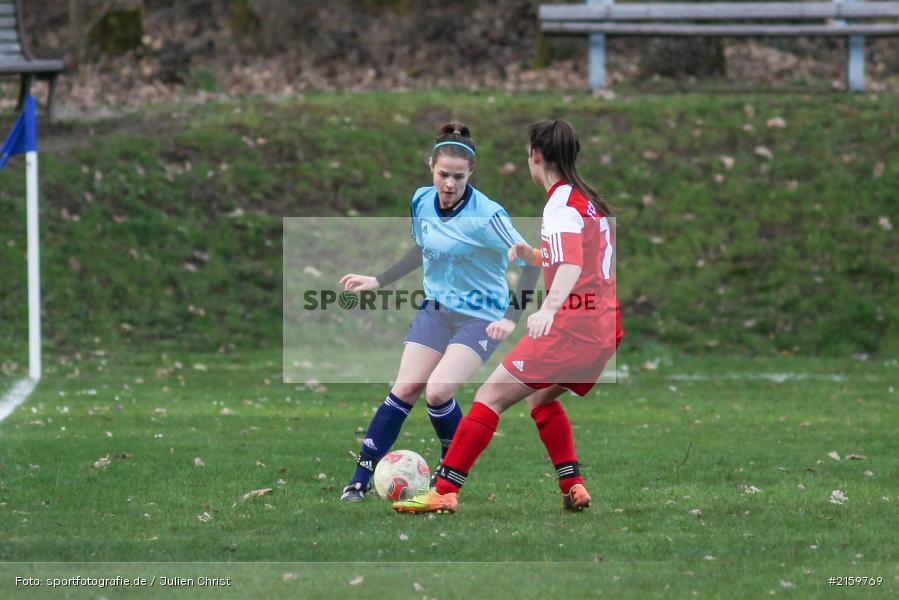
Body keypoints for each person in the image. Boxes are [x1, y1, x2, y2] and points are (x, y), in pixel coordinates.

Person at [393, 119, 623, 514]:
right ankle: (573, 484)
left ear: (535, 156)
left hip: (573, 328)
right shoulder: (587, 200)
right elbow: (579, 260)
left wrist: (549, 309)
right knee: (541, 400)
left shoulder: (561, 204)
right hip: (605, 327)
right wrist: (534, 256)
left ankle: (445, 490)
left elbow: (570, 265)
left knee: (489, 397)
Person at [338, 121, 541, 502]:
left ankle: (452, 471)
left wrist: (510, 318)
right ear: (431, 166)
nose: (449, 184)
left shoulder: (490, 215)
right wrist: (378, 281)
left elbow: (531, 263)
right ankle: (358, 480)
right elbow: (423, 247)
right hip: (435, 309)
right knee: (406, 388)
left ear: (471, 174)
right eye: (443, 174)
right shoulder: (420, 200)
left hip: (482, 316)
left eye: (459, 177)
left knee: (439, 391)